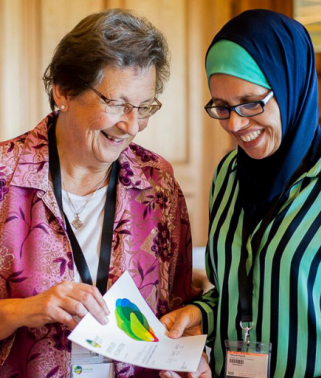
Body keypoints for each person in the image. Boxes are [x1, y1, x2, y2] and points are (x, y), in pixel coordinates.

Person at [160, 9, 321, 378]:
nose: (236, 124)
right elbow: (241, 291)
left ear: (291, 84)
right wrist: (201, 313)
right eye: (223, 107)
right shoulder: (228, 176)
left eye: (250, 103)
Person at [0, 8, 201, 378]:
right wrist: (24, 310)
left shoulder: (158, 184)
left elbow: (178, 306)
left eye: (144, 108)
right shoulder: (4, 178)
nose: (131, 125)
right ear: (63, 90)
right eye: (116, 104)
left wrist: (184, 354)